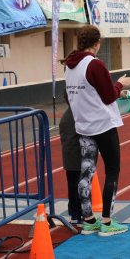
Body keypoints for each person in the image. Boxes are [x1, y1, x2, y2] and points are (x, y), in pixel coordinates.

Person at [64, 25, 130, 237]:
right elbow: (108, 96)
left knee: (86, 172)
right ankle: (106, 221)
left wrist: (116, 90)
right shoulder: (94, 64)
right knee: (112, 170)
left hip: (84, 126)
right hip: (102, 125)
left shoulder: (70, 65)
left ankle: (88, 221)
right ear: (97, 44)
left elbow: (81, 93)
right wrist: (120, 84)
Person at [58, 95, 83, 225]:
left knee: (74, 185)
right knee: (77, 186)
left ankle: (75, 213)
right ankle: (77, 214)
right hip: (75, 157)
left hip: (71, 157)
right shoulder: (75, 116)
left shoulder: (69, 115)